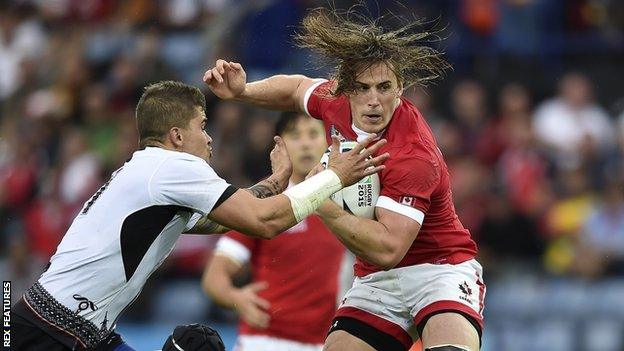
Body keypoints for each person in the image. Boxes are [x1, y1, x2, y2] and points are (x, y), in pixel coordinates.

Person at [11, 80, 388, 351]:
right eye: (202, 127)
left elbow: (221, 219)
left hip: (73, 325)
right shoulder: (173, 168)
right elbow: (263, 221)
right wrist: (334, 177)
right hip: (50, 328)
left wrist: (275, 182)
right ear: (176, 136)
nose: (209, 138)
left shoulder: (150, 171)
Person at [203, 7, 485, 351]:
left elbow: (388, 249)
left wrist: (321, 198)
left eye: (384, 87)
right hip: (377, 281)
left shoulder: (413, 154)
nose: (373, 100)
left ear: (400, 88)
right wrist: (244, 91)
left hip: (438, 269)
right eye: (362, 88)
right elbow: (294, 89)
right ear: (345, 89)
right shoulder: (333, 102)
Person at [202, 112, 351, 351]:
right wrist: (236, 298)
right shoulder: (264, 201)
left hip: (326, 344)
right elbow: (215, 276)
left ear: (327, 142)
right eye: (295, 135)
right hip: (265, 341)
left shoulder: (350, 198)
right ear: (279, 146)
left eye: (313, 134)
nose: (305, 143)